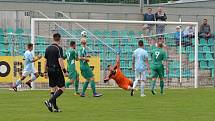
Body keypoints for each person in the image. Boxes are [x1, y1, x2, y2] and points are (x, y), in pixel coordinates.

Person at [44, 33, 68, 112]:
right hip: (57, 70)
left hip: (50, 70)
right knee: (62, 88)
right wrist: (64, 71)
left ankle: (55, 108)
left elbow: (45, 61)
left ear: (53, 38)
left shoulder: (47, 48)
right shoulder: (58, 48)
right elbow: (60, 60)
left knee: (53, 89)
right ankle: (49, 101)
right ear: (59, 39)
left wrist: (45, 71)